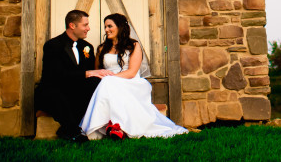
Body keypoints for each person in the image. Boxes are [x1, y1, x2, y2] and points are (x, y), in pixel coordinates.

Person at [80, 13, 188, 139]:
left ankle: (117, 126)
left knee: (108, 83)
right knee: (106, 84)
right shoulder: (102, 49)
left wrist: (110, 78)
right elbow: (98, 70)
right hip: (107, 82)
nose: (106, 30)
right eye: (105, 27)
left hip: (130, 81)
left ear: (120, 27)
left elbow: (131, 72)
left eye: (110, 26)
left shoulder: (133, 46)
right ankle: (113, 126)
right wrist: (105, 77)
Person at [35, 9, 113, 142]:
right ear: (72, 26)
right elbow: (56, 75)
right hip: (55, 89)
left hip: (75, 90)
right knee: (55, 95)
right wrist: (87, 73)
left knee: (95, 83)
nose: (88, 28)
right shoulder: (52, 45)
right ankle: (73, 131)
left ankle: (67, 129)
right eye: (85, 25)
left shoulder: (87, 47)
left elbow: (89, 74)